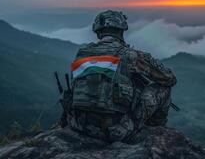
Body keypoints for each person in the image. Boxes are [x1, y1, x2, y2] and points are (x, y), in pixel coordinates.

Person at [68, 10, 176, 142]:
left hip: (80, 126)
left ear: (98, 32)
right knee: (162, 89)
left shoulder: (82, 54)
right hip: (116, 132)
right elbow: (169, 78)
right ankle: (155, 131)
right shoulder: (130, 55)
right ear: (121, 31)